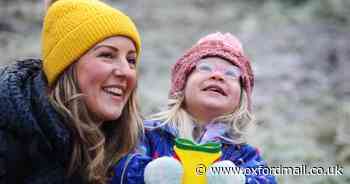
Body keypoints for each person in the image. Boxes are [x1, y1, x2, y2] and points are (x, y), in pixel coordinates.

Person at [0, 0, 143, 183]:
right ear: (67, 67)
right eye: (107, 55)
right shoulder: (10, 138)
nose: (125, 72)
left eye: (131, 60)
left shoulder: (136, 149)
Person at [112, 32, 277, 183]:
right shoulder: (147, 134)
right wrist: (147, 173)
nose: (218, 76)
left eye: (231, 74)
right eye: (205, 67)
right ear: (182, 85)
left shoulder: (243, 155)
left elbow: (266, 180)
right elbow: (116, 166)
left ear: (241, 99)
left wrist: (239, 180)